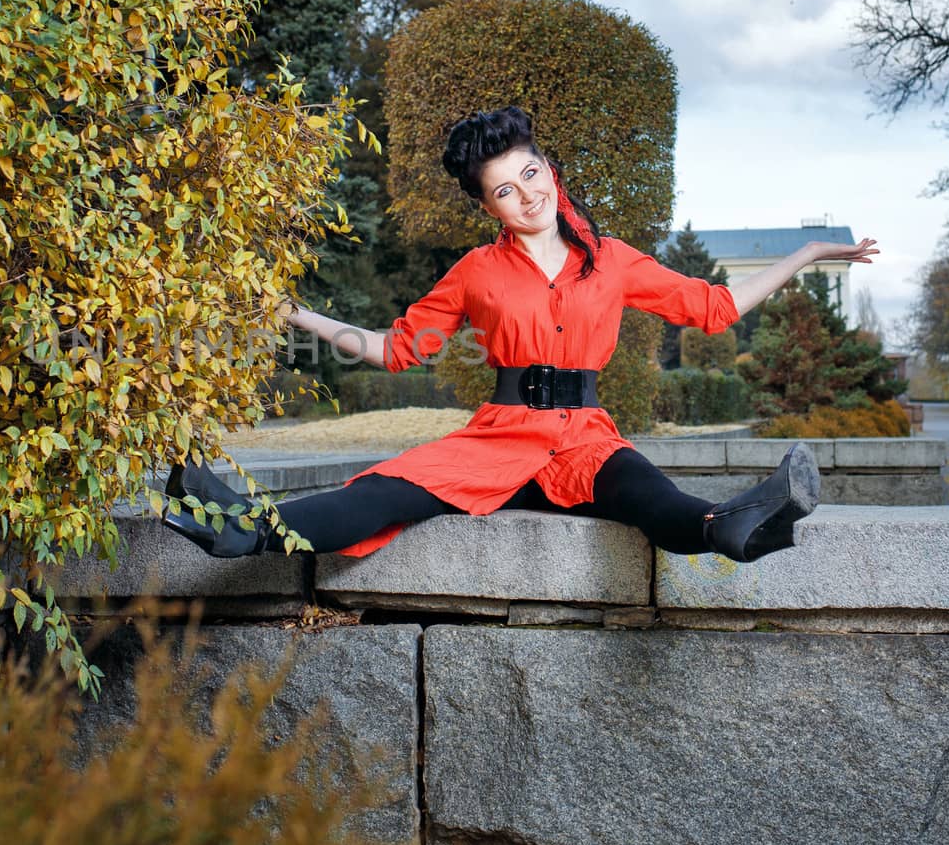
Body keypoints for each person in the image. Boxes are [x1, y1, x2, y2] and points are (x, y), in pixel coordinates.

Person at [161, 106, 880, 563]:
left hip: (586, 437)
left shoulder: (613, 258)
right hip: (499, 437)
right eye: (506, 188)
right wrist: (297, 314)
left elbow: (715, 306)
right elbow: (395, 348)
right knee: (384, 490)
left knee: (648, 494)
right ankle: (239, 527)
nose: (527, 193)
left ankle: (734, 525)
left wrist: (811, 254)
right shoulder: (475, 271)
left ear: (550, 169)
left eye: (530, 173)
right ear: (490, 206)